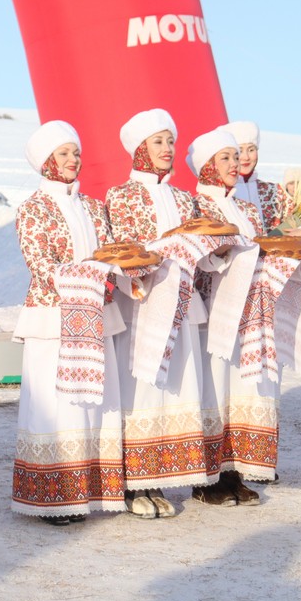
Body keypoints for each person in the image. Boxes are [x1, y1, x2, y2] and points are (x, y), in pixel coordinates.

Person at [190, 127, 301, 505]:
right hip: (216, 312)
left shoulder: (249, 208)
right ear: (206, 166)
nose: (235, 164)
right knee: (216, 391)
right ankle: (207, 480)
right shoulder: (196, 205)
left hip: (253, 313)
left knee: (243, 391)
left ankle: (234, 473)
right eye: (226, 158)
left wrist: (299, 250)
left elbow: (260, 252)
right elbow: (201, 259)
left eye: (237, 158)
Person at [105, 108, 218, 519]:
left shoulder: (185, 198)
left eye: (171, 142)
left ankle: (160, 477)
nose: (168, 149)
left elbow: (204, 253)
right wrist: (144, 270)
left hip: (184, 306)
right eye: (158, 142)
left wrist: (213, 249)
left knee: (176, 389)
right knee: (143, 390)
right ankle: (136, 482)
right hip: (143, 305)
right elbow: (120, 250)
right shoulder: (120, 196)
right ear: (139, 149)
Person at [12, 120, 126, 523]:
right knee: (56, 404)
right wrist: (90, 278)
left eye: (75, 152)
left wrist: (121, 271)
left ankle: (92, 490)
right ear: (46, 161)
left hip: (96, 316)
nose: (73, 160)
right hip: (53, 318)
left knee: (96, 402)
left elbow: (112, 255)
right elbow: (40, 264)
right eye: (63, 153)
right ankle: (54, 495)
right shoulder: (32, 209)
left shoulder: (95, 206)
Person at [223, 119, 293, 233]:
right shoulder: (222, 194)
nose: (246, 157)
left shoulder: (275, 192)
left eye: (251, 150)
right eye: (239, 151)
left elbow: (297, 222)